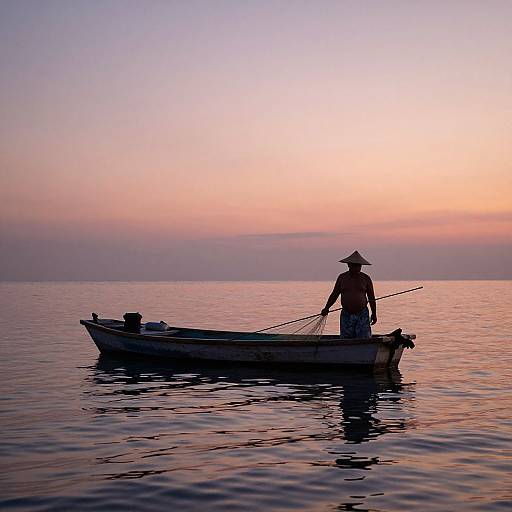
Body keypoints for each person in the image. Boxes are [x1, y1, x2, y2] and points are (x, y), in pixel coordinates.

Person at [321, 251, 377, 339]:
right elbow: (334, 294)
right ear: (349, 265)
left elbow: (371, 298)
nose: (358, 268)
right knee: (346, 339)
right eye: (355, 265)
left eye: (359, 265)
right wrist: (327, 308)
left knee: (364, 338)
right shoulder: (342, 278)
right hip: (346, 314)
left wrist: (374, 314)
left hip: (362, 314)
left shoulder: (366, 278)